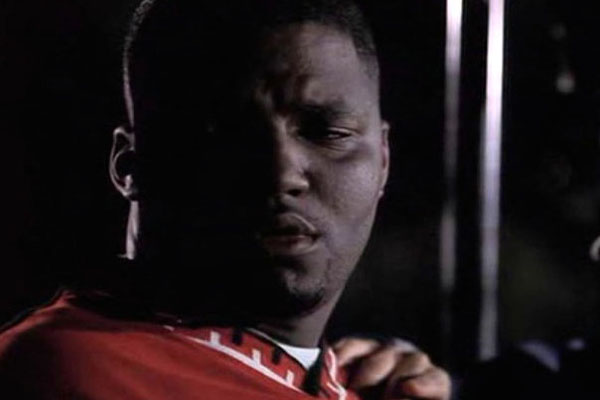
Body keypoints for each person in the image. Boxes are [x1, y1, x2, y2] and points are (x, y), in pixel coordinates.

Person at [0, 1, 450, 399]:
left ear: (383, 161)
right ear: (129, 165)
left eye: (328, 133)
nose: (283, 174)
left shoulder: (361, 381)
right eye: (228, 135)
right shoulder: (70, 373)